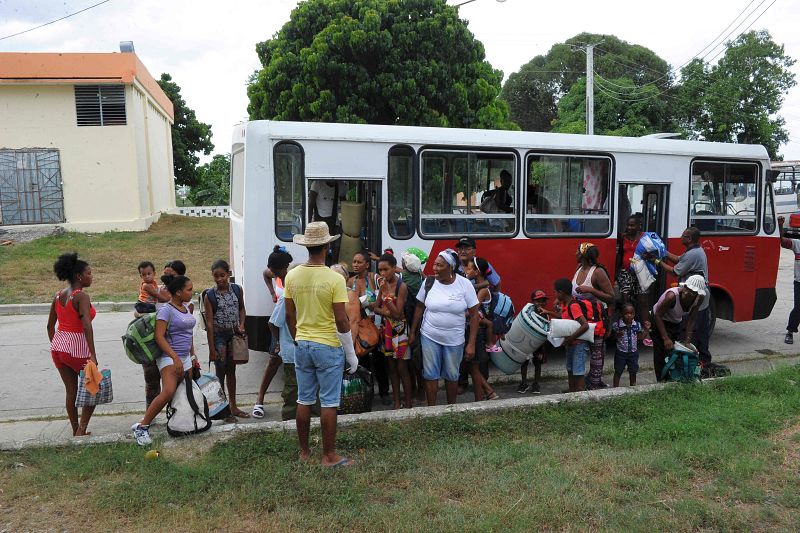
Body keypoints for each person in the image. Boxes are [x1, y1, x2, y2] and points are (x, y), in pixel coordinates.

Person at [285, 221, 359, 467]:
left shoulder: (292, 275)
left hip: (302, 344)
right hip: (327, 345)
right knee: (328, 402)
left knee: (304, 399)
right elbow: (341, 319)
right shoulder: (334, 278)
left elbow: (289, 315)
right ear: (328, 245)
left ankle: (304, 452)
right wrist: (351, 354)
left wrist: (298, 338)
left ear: (307, 246)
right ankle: (329, 456)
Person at [132, 275, 199, 446]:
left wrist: (192, 356)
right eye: (189, 289)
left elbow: (189, 335)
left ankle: (180, 425)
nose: (192, 292)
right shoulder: (166, 310)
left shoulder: (186, 307)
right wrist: (174, 357)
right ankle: (142, 426)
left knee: (184, 393)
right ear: (178, 292)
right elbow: (159, 337)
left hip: (185, 357)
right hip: (169, 357)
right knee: (168, 391)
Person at [409, 249, 480, 406]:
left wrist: (471, 343)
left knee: (452, 375)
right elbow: (419, 307)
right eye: (434, 264)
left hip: (454, 339)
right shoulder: (428, 282)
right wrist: (413, 332)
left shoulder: (465, 284)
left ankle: (451, 408)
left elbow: (475, 315)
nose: (435, 268)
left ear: (451, 267)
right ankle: (432, 409)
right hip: (429, 336)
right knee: (430, 374)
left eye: (440, 265)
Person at [46, 252, 98, 437]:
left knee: (71, 391)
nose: (91, 276)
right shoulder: (81, 296)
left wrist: (59, 345)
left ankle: (75, 428)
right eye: (89, 273)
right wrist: (92, 354)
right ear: (79, 276)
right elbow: (86, 325)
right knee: (93, 388)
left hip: (58, 348)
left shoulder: (58, 295)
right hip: (78, 349)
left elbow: (50, 326)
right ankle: (81, 430)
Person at [655, 227, 712, 365]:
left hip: (695, 295)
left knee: (695, 328)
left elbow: (675, 271)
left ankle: (700, 360)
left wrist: (656, 262)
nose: (681, 237)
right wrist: (663, 251)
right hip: (693, 294)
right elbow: (678, 260)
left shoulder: (693, 254)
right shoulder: (693, 251)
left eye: (683, 235)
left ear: (689, 239)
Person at [253, 246, 294, 419]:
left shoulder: (291, 276)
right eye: (276, 270)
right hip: (278, 325)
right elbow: (265, 274)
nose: (279, 273)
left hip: (290, 325)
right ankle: (259, 399)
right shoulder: (275, 274)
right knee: (273, 361)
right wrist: (272, 293)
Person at [204, 260, 248, 419]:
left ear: (229, 274)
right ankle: (222, 409)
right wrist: (212, 349)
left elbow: (242, 308)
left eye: (222, 275)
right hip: (219, 337)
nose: (219, 279)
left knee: (232, 371)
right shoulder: (210, 296)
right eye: (216, 276)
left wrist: (242, 324)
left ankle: (233, 406)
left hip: (234, 335)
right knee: (220, 372)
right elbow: (209, 324)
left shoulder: (237, 289)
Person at [347, 250, 390, 405]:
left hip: (377, 325)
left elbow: (384, 296)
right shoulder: (350, 281)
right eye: (354, 262)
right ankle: (367, 392)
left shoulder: (375, 278)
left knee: (380, 361)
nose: (355, 265)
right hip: (361, 327)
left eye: (359, 262)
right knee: (363, 361)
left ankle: (384, 392)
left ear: (367, 264)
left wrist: (373, 303)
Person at [370, 253, 413, 409]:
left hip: (400, 331)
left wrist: (386, 298)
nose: (382, 274)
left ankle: (407, 404)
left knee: (402, 368)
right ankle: (396, 403)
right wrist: (385, 310)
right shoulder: (383, 284)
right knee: (392, 368)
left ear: (394, 268)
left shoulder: (402, 286)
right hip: (387, 330)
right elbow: (376, 307)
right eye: (380, 270)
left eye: (386, 269)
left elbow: (397, 313)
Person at [572, 243, 613, 390]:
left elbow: (611, 297)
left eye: (578, 251)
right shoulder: (578, 269)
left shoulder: (598, 272)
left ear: (584, 255)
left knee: (596, 355)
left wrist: (591, 290)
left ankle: (594, 385)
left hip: (596, 320)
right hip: (580, 318)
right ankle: (584, 383)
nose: (575, 253)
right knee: (579, 352)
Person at [650, 275, 706, 381]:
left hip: (675, 321)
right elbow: (657, 315)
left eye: (691, 292)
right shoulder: (672, 296)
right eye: (686, 289)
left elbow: (692, 318)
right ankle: (661, 381)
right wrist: (665, 338)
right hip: (659, 319)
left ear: (697, 294)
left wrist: (687, 340)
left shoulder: (700, 298)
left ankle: (674, 378)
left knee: (675, 352)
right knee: (661, 353)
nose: (686, 293)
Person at [463, 257, 501, 401]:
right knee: (471, 365)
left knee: (472, 365)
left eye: (469, 268)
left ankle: (488, 393)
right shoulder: (480, 286)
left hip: (478, 331)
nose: (466, 270)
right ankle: (486, 394)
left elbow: (473, 310)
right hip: (477, 329)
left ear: (477, 271)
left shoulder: (483, 291)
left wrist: (456, 312)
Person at [615, 214, 652, 345]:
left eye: (632, 225)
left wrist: (648, 256)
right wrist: (616, 271)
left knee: (643, 301)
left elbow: (653, 253)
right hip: (626, 272)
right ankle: (624, 327)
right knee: (625, 297)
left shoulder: (645, 237)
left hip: (641, 271)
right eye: (628, 225)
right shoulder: (623, 238)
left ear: (638, 226)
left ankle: (646, 332)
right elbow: (620, 254)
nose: (630, 227)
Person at [554, 278, 590, 393]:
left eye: (555, 292)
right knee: (570, 369)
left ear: (561, 293)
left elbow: (585, 325)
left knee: (578, 371)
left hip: (578, 344)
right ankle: (572, 390)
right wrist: (549, 312)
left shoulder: (573, 306)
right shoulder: (566, 304)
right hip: (571, 344)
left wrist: (571, 338)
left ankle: (580, 392)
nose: (555, 294)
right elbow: (564, 318)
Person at [401, 250, 427, 403]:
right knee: (419, 360)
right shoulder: (422, 279)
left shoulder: (403, 280)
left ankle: (415, 391)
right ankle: (421, 391)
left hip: (408, 323)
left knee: (410, 361)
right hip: (421, 323)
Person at [518, 290, 553, 394]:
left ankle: (536, 384)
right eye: (538, 301)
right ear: (532, 301)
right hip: (526, 343)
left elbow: (546, 331)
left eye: (543, 301)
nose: (541, 303)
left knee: (538, 363)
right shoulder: (527, 312)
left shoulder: (545, 315)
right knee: (523, 363)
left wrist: (542, 348)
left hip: (539, 345)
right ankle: (523, 382)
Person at [611, 303, 645, 387]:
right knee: (618, 371)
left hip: (633, 353)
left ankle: (633, 387)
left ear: (634, 314)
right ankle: (615, 389)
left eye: (631, 313)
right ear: (622, 314)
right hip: (621, 353)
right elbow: (611, 337)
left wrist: (647, 330)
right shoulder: (617, 325)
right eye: (626, 313)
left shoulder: (637, 325)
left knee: (633, 372)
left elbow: (640, 337)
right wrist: (617, 334)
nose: (629, 315)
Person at [778, 216, 800, 344]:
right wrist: (780, 226)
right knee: (798, 308)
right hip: (799, 283)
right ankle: (790, 331)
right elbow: (782, 242)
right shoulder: (798, 244)